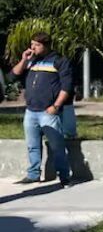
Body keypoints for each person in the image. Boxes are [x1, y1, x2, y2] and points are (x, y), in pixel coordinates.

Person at [10, 32, 73, 186]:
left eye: (37, 45)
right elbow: (13, 75)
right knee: (32, 145)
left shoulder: (59, 61)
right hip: (31, 111)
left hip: (48, 111)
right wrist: (24, 59)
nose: (33, 48)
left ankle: (64, 176)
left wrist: (56, 106)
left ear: (46, 45)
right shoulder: (31, 60)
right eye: (32, 44)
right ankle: (33, 174)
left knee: (56, 145)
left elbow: (67, 86)